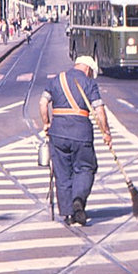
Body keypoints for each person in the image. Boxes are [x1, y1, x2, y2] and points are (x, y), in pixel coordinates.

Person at [38, 54, 110, 226]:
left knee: (62, 173)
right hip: (81, 133)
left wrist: (46, 123)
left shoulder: (56, 79)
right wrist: (106, 132)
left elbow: (42, 103)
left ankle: (68, 214)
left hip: (58, 133)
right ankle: (78, 199)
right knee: (85, 167)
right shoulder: (89, 83)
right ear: (88, 68)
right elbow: (99, 110)